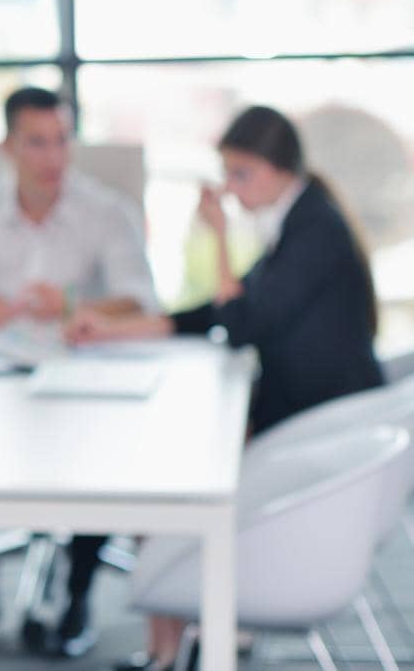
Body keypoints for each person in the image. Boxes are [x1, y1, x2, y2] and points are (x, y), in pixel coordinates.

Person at [66, 104, 384, 671]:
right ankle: (169, 646)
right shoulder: (300, 218)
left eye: (242, 175)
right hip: (303, 416)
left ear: (281, 168)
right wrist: (122, 328)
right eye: (228, 175)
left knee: (171, 474)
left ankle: (179, 638)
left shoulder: (313, 231)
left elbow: (241, 324)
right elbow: (222, 310)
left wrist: (216, 238)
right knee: (169, 467)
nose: (231, 191)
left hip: (314, 431)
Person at [0, 86, 160, 658]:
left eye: (63, 142)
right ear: (8, 148)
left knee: (100, 456)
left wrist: (75, 306)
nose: (54, 158)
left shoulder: (105, 211)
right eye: (38, 143)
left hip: (82, 380)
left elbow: (141, 300)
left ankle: (76, 597)